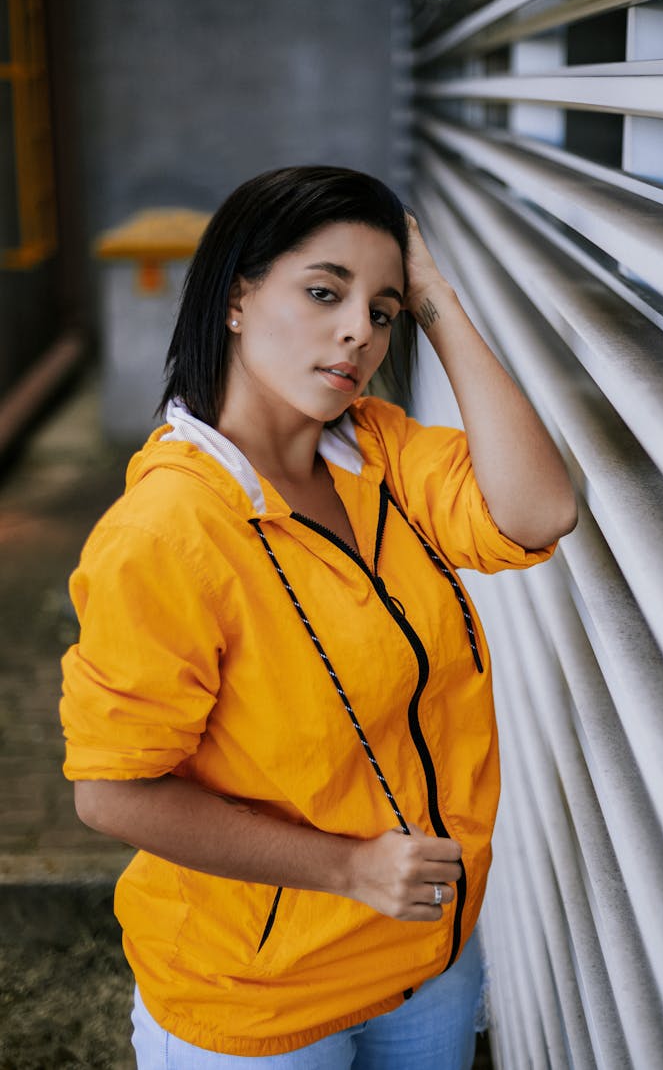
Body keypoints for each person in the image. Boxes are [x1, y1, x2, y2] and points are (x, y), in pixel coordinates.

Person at [60, 165, 577, 1069]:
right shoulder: (167, 531)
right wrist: (349, 869)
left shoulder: (377, 451)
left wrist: (439, 304)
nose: (356, 332)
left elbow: (537, 513)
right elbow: (112, 791)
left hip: (425, 957)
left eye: (381, 310)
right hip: (260, 1007)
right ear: (235, 298)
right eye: (323, 291)